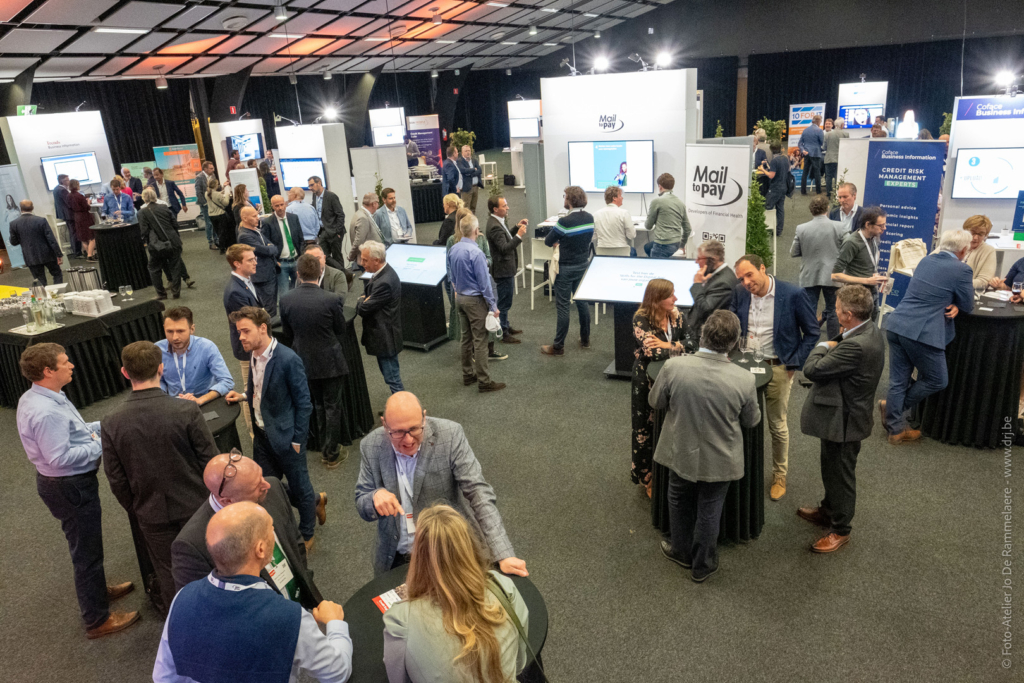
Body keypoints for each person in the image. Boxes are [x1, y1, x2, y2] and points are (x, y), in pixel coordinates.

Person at [16, 343, 139, 639]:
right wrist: (102, 443)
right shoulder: (47, 412)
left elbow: (77, 430)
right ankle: (97, 619)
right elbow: (59, 458)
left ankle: (96, 591)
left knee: (88, 547)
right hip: (70, 487)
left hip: (65, 485)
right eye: (65, 362)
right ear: (48, 371)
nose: (72, 365)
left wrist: (106, 425)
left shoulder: (43, 395)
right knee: (86, 554)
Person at [154, 502, 352, 683]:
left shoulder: (181, 599)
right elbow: (337, 673)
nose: (274, 533)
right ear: (261, 549)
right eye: (271, 529)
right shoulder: (290, 617)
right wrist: (335, 623)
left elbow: (164, 677)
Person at [102, 341, 218, 615]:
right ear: (161, 369)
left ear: (124, 372)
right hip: (196, 507)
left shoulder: (111, 421)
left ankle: (179, 625)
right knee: (209, 565)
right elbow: (211, 462)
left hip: (150, 512)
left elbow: (116, 479)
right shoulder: (186, 410)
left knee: (168, 572)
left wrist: (137, 508)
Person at [355, 391, 527, 576]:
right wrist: (373, 497)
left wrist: (503, 553)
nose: (408, 440)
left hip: (446, 550)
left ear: (424, 418)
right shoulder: (370, 445)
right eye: (397, 432)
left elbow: (478, 492)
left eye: (414, 429)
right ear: (384, 424)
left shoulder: (450, 435)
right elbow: (362, 501)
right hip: (396, 556)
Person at [651, 310, 760, 582]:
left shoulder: (674, 367)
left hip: (679, 450)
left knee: (678, 498)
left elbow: (656, 402)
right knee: (710, 508)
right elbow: (752, 421)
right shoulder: (745, 379)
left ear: (703, 335)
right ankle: (703, 565)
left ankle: (680, 551)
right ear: (733, 343)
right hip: (721, 458)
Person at [383, 504, 530, 683]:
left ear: (419, 557)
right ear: (469, 545)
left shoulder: (400, 620)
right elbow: (519, 662)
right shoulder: (504, 588)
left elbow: (398, 679)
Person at [225, 307, 326, 551]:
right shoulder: (254, 354)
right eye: (238, 332)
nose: (240, 337)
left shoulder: (289, 359)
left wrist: (298, 440)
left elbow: (304, 404)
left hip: (288, 438)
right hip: (262, 437)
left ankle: (307, 532)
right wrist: (243, 396)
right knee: (263, 487)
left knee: (300, 487)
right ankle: (316, 501)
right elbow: (258, 388)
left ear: (263, 328)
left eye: (245, 331)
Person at [171, 454, 323, 607]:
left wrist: (305, 582)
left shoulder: (273, 488)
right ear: (228, 501)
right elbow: (200, 606)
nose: (266, 485)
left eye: (261, 476)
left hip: (300, 603)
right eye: (256, 486)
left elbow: (295, 542)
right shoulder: (191, 545)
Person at [798, 285, 884, 553]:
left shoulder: (857, 346)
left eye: (836, 309)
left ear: (848, 315)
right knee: (831, 467)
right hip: (841, 416)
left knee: (841, 476)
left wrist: (823, 345)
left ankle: (841, 530)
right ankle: (828, 510)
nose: (833, 313)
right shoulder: (867, 329)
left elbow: (812, 369)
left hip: (845, 421)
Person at [730, 254, 819, 501]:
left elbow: (812, 332)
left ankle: (780, 475)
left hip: (777, 367)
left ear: (762, 268)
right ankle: (740, 469)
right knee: (739, 420)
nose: (746, 282)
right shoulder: (739, 293)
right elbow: (731, 324)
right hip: (744, 367)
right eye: (741, 279)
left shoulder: (793, 294)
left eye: (749, 275)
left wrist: (793, 364)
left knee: (777, 425)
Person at [881, 230, 974, 443]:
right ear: (963, 250)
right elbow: (968, 304)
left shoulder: (926, 260)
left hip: (897, 323)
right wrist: (956, 304)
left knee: (898, 381)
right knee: (937, 379)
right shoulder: (962, 269)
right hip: (922, 332)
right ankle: (893, 411)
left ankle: (895, 430)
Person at [280, 254, 350, 468]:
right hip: (331, 362)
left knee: (317, 405)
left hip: (303, 361)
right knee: (332, 407)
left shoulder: (286, 299)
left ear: (298, 274)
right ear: (320, 272)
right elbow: (341, 329)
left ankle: (323, 447)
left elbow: (287, 333)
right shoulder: (331, 299)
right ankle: (331, 453)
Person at [632, 278, 693, 493]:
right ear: (657, 300)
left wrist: (667, 344)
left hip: (675, 378)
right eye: (670, 295)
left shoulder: (677, 315)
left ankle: (668, 474)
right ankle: (647, 477)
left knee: (671, 425)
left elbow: (694, 343)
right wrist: (678, 347)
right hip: (647, 380)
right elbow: (652, 352)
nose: (675, 298)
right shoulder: (640, 319)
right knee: (644, 428)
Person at [450, 214, 507, 393]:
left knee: (465, 339)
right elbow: (485, 284)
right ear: (476, 231)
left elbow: (452, 276)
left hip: (460, 298)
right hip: (475, 301)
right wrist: (493, 306)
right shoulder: (476, 253)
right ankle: (484, 381)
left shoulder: (454, 249)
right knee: (480, 341)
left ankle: (468, 375)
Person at [541, 186, 594, 356]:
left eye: (565, 196)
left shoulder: (564, 222)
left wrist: (559, 242)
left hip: (565, 268)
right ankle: (585, 339)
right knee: (582, 303)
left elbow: (548, 241)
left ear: (570, 199)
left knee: (563, 307)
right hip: (583, 265)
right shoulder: (590, 218)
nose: (564, 199)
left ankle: (558, 346)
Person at [791, 195, 846, 338]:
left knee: (810, 310)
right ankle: (833, 343)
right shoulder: (840, 227)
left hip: (809, 274)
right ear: (827, 208)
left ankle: (809, 341)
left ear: (811, 210)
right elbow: (846, 250)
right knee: (833, 310)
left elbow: (793, 252)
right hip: (833, 275)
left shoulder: (801, 228)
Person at [223, 243, 262, 438]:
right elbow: (251, 322)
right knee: (250, 391)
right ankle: (253, 434)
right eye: (250, 259)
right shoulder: (235, 291)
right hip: (248, 349)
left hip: (254, 346)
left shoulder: (245, 281)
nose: (256, 262)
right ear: (237, 263)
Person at [157, 307, 234, 405]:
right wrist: (163, 397)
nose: (175, 337)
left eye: (180, 331)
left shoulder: (207, 347)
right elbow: (158, 381)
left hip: (204, 401)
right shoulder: (157, 350)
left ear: (192, 329)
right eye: (170, 331)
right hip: (173, 403)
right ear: (164, 328)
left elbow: (227, 381)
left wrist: (200, 400)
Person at [357, 240, 405, 393]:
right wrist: (365, 298)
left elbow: (363, 308)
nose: (361, 263)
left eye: (365, 260)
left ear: (376, 260)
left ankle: (402, 406)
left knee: (393, 379)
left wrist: (361, 300)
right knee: (390, 377)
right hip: (383, 337)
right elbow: (367, 296)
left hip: (385, 338)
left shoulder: (384, 282)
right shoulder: (381, 274)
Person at [485, 195, 528, 343]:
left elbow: (505, 237)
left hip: (504, 268)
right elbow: (504, 248)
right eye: (504, 206)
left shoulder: (497, 221)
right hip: (502, 270)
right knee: (504, 302)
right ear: (495, 209)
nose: (508, 208)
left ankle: (506, 326)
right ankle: (503, 332)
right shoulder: (494, 226)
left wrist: (516, 228)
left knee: (505, 300)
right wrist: (519, 236)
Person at [831, 206, 888, 313]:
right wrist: (867, 280)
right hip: (856, 296)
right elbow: (835, 275)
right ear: (868, 225)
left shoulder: (875, 238)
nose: (884, 228)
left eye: (885, 224)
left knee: (872, 322)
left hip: (872, 291)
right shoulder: (851, 242)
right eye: (881, 225)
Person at [138, 187, 185, 300]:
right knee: (175, 266)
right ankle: (176, 292)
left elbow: (144, 231)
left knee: (153, 268)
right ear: (155, 196)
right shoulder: (164, 207)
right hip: (173, 241)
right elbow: (175, 224)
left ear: (144, 198)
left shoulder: (142, 212)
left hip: (157, 245)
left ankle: (161, 293)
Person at [688, 239, 738, 338]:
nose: (696, 262)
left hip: (708, 338)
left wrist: (697, 284)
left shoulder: (723, 282)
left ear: (713, 259)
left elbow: (706, 310)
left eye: (699, 258)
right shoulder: (716, 275)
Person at [237, 205, 280, 315]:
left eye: (257, 215)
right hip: (262, 277)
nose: (258, 218)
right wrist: (270, 248)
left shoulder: (255, 230)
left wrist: (270, 248)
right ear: (244, 218)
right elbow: (267, 250)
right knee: (268, 309)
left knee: (272, 305)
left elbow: (272, 247)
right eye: (254, 216)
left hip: (269, 273)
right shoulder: (244, 236)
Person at [8, 199, 63, 284]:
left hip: (30, 256)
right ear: (32, 208)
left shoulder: (13, 224)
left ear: (21, 209)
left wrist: (23, 240)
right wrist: (58, 254)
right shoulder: (41, 220)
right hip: (48, 254)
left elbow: (13, 242)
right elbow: (51, 239)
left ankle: (44, 293)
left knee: (40, 280)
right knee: (57, 274)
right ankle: (58, 291)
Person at [263, 194, 305, 295]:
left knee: (300, 290)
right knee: (284, 293)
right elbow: (266, 245)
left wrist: (301, 256)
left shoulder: (294, 218)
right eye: (277, 206)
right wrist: (275, 261)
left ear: (285, 204)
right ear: (272, 206)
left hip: (296, 260)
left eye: (282, 204)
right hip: (281, 263)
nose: (280, 208)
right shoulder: (268, 222)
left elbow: (301, 239)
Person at [644, 173, 690, 258]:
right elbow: (688, 229)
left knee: (654, 264)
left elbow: (648, 226)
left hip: (662, 245)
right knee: (647, 247)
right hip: (676, 244)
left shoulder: (656, 202)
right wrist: (682, 245)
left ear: (660, 187)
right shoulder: (681, 203)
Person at [308, 176, 346, 270]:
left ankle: (343, 276)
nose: (310, 188)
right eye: (309, 186)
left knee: (337, 256)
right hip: (322, 231)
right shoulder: (314, 196)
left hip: (334, 231)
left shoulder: (331, 196)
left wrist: (338, 231)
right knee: (324, 255)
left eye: (312, 185)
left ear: (319, 183)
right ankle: (345, 273)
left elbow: (340, 215)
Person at [594, 185, 636, 254]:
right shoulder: (624, 213)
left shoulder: (596, 214)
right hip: (621, 252)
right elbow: (631, 236)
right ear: (614, 198)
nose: (622, 198)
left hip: (602, 253)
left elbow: (594, 236)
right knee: (633, 251)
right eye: (620, 196)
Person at [347, 192, 383, 268]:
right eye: (377, 203)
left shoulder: (360, 213)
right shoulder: (363, 217)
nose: (378, 205)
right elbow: (359, 241)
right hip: (369, 260)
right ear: (373, 204)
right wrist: (351, 256)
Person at [962, 215, 996, 292]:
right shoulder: (953, 243)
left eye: (980, 234)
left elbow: (984, 282)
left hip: (969, 293)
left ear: (985, 235)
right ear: (965, 231)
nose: (975, 238)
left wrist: (957, 283)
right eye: (972, 233)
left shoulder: (988, 250)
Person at [67, 179, 97, 261]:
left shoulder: (68, 196)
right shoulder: (80, 196)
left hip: (76, 217)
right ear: (76, 185)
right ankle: (90, 255)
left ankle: (90, 254)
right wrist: (88, 202)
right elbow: (86, 207)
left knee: (83, 238)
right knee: (92, 236)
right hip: (85, 217)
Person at [53, 173, 81, 258]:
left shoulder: (56, 189)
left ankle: (76, 251)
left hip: (65, 214)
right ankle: (77, 252)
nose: (69, 182)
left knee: (72, 232)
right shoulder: (62, 190)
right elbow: (69, 202)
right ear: (62, 181)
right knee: (74, 233)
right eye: (67, 180)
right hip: (69, 214)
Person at [206, 175, 234, 254]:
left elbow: (215, 195)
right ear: (215, 185)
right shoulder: (218, 195)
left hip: (211, 216)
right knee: (223, 231)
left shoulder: (206, 193)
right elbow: (226, 203)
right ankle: (223, 247)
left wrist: (222, 191)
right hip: (220, 215)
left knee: (218, 231)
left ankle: (221, 246)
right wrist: (227, 195)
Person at [798, 114, 825, 195]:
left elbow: (800, 143)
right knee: (817, 173)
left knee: (805, 172)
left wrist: (803, 150)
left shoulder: (805, 130)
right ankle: (818, 191)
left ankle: (803, 191)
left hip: (806, 154)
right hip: (816, 154)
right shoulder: (819, 131)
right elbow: (822, 143)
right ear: (819, 121)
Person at [823, 118, 848, 198]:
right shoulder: (846, 134)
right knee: (838, 176)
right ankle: (838, 194)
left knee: (828, 177)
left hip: (829, 158)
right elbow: (847, 147)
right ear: (842, 125)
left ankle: (828, 193)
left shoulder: (827, 134)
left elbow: (824, 147)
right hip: (840, 158)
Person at [194, 161, 216, 249]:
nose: (213, 170)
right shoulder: (199, 177)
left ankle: (216, 240)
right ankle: (210, 242)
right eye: (211, 168)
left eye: (213, 168)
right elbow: (198, 192)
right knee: (209, 223)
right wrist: (204, 203)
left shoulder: (213, 175)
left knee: (214, 222)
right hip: (205, 204)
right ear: (205, 169)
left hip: (213, 203)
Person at [457, 145, 482, 212]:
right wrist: (473, 169)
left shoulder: (474, 160)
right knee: (466, 208)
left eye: (469, 151)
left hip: (475, 187)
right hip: (467, 188)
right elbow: (463, 170)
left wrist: (471, 174)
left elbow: (480, 170)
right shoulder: (459, 161)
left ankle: (472, 219)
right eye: (466, 151)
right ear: (462, 153)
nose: (468, 152)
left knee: (473, 207)